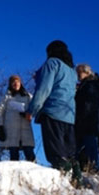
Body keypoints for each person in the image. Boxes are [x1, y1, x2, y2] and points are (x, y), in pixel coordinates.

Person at [26, 40, 83, 186]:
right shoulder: (71, 71)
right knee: (70, 155)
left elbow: (43, 90)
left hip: (53, 113)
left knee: (56, 155)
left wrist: (31, 110)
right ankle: (78, 184)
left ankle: (62, 188)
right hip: (69, 116)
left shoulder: (52, 63)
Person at [74, 64, 99, 172]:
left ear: (86, 72)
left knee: (91, 148)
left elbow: (97, 103)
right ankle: (78, 170)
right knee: (77, 149)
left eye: (79, 72)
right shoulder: (84, 85)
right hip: (83, 122)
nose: (77, 75)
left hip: (90, 121)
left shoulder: (94, 84)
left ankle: (96, 169)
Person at [0, 75, 35, 161]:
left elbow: (35, 108)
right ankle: (14, 174)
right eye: (13, 82)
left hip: (26, 130)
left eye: (17, 82)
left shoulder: (28, 96)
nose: (16, 84)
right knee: (14, 157)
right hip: (11, 131)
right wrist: (0, 127)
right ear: (10, 84)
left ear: (20, 83)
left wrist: (28, 114)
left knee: (30, 155)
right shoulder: (7, 97)